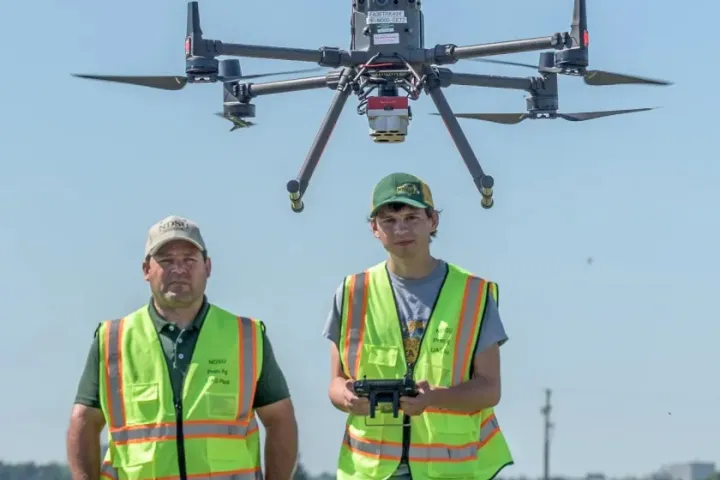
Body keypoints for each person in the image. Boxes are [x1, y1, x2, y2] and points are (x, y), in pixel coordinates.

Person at [66, 215, 298, 480]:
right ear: (146, 270)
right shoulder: (112, 340)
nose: (179, 269)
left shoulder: (247, 337)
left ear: (207, 267)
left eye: (189, 260)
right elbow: (83, 423)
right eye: (166, 261)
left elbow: (280, 419)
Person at [322, 173, 514, 479]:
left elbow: (490, 389)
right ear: (374, 228)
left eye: (412, 217)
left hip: (449, 471)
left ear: (433, 221)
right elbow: (335, 382)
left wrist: (434, 397)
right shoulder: (352, 292)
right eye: (389, 220)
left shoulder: (473, 294)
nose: (401, 229)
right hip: (370, 470)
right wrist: (347, 397)